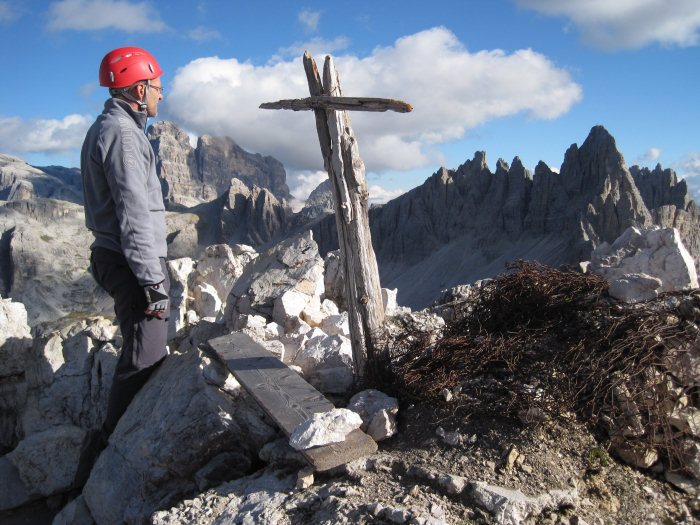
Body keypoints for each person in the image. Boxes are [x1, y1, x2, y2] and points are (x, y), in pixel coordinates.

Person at [75, 46, 169, 486]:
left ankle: (110, 453)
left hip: (121, 258)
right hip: (132, 264)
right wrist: (152, 282)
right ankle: (105, 465)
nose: (161, 94)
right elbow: (133, 211)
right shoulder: (124, 136)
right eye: (157, 86)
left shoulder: (111, 128)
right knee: (143, 357)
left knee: (143, 350)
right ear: (138, 88)